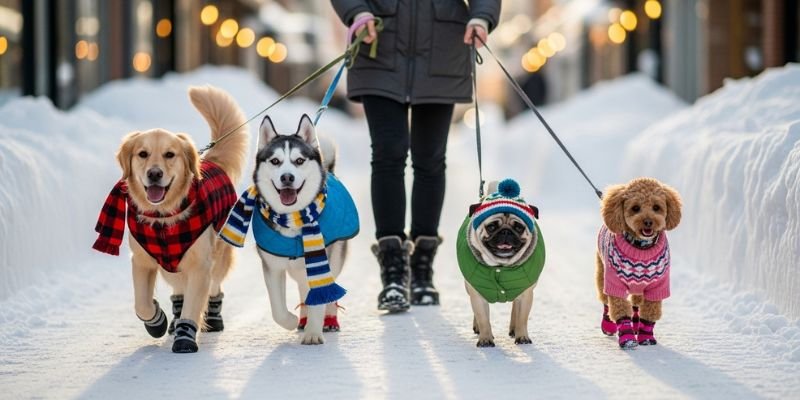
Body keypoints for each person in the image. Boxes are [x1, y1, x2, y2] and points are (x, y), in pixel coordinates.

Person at [331, 0, 501, 311]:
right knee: (388, 153)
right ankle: (393, 270)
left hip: (441, 54)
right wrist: (357, 11)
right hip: (378, 48)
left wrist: (481, 17)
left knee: (431, 159)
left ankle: (422, 269)